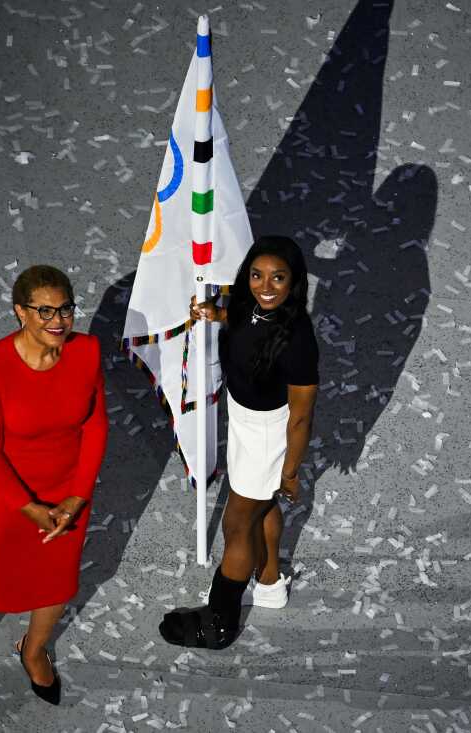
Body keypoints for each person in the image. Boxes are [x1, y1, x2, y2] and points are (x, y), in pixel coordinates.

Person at [0, 265, 108, 711]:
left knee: (57, 580)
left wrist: (78, 495)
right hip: (10, 496)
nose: (58, 320)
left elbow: (95, 424)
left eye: (65, 309)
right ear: (20, 312)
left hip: (69, 493)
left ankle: (33, 649)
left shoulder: (87, 353)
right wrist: (29, 506)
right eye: (44, 311)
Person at [159, 235, 319, 649]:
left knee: (236, 525)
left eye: (278, 278)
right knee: (261, 509)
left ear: (294, 283)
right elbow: (243, 323)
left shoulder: (299, 340)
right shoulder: (249, 307)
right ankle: (268, 585)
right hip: (245, 422)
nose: (265, 286)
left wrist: (289, 472)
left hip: (268, 435)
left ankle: (220, 621)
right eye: (257, 275)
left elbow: (301, 416)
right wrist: (215, 313)